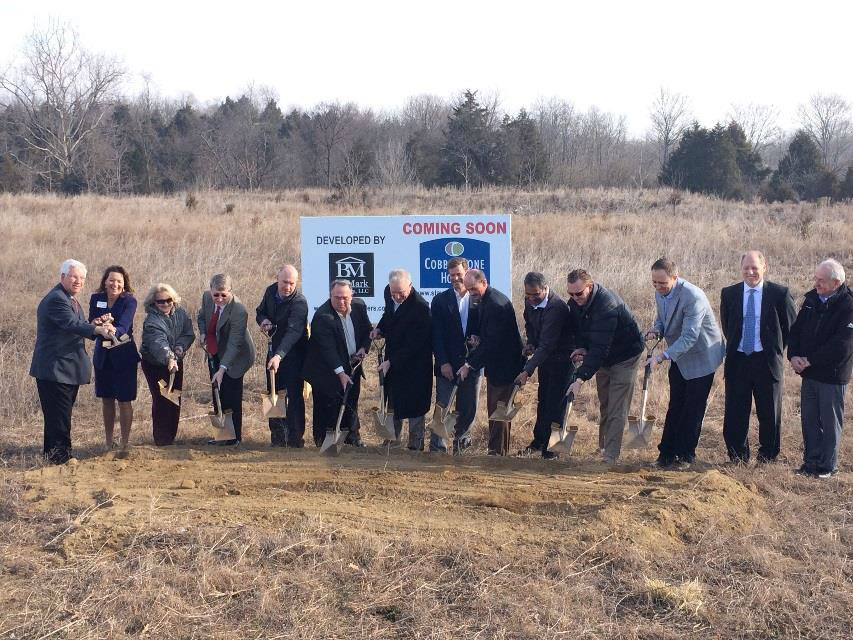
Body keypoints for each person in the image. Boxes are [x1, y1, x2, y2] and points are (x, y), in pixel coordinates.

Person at [31, 259, 116, 464]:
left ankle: (55, 455)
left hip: (64, 369)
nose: (78, 281)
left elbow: (74, 326)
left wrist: (93, 323)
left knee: (60, 415)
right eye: (74, 277)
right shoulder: (57, 299)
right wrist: (98, 330)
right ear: (63, 277)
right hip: (55, 369)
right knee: (58, 417)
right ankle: (60, 458)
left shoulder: (69, 298)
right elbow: (70, 323)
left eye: (82, 278)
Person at [647, 258, 726, 469]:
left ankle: (685, 456)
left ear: (675, 277)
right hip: (680, 356)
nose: (658, 287)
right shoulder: (659, 292)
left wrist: (662, 357)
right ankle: (666, 454)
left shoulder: (693, 296)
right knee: (675, 406)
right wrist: (657, 330)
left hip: (702, 356)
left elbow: (690, 337)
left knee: (693, 408)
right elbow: (663, 320)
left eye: (662, 283)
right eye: (654, 282)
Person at [720, 251, 796, 464]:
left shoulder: (780, 294)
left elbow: (790, 328)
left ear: (765, 267)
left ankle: (767, 457)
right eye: (746, 268)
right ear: (741, 268)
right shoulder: (729, 293)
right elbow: (728, 327)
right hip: (738, 361)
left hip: (767, 361)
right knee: (735, 412)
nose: (750, 272)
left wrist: (775, 350)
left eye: (755, 268)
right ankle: (737, 456)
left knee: (769, 412)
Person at [565, 269, 644, 464]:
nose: (574, 298)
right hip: (604, 357)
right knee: (606, 403)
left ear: (589, 287)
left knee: (617, 405)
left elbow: (600, 348)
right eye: (571, 294)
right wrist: (581, 347)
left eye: (579, 293)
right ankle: (603, 447)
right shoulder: (575, 304)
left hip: (625, 355)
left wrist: (580, 379)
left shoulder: (606, 306)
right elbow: (580, 332)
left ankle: (611, 455)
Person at [788, 259, 853, 478]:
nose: (816, 283)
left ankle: (828, 466)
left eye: (821, 281)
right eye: (815, 279)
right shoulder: (811, 300)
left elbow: (841, 346)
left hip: (832, 376)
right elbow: (795, 331)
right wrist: (793, 355)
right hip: (809, 373)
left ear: (835, 283)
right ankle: (811, 463)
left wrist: (809, 360)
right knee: (809, 420)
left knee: (829, 421)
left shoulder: (849, 306)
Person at [458, 269, 524, 456]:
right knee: (496, 410)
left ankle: (497, 455)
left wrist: (469, 364)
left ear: (484, 282)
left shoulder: (495, 304)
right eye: (468, 289)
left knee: (499, 411)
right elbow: (487, 334)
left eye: (474, 288)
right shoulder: (484, 300)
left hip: (506, 367)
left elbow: (493, 344)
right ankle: (496, 451)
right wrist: (477, 337)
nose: (471, 293)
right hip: (498, 365)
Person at [304, 279, 372, 448]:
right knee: (327, 403)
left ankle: (352, 436)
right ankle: (323, 440)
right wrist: (341, 373)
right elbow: (328, 350)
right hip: (324, 368)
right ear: (330, 295)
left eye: (345, 297)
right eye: (337, 297)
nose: (341, 301)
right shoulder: (323, 316)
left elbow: (366, 331)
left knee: (351, 400)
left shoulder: (359, 307)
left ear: (352, 295)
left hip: (352, 363)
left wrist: (363, 348)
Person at [514, 272, 573, 459]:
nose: (531, 299)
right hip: (546, 359)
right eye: (528, 295)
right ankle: (539, 441)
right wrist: (531, 342)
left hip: (563, 360)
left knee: (556, 405)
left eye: (536, 295)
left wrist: (527, 370)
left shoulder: (556, 307)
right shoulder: (529, 301)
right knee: (544, 401)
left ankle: (553, 449)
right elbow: (530, 325)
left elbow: (548, 344)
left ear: (545, 289)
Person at [372, 269, 433, 450]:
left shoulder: (421, 308)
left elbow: (416, 344)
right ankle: (392, 440)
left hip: (416, 364)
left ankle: (416, 445)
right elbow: (389, 315)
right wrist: (380, 330)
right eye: (394, 293)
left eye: (401, 293)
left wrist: (391, 362)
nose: (397, 296)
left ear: (411, 286)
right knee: (393, 401)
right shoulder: (388, 293)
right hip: (394, 360)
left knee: (416, 405)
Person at [429, 257, 481, 453]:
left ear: (466, 273)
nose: (455, 278)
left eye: (459, 274)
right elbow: (436, 335)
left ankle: (462, 446)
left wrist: (476, 345)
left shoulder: (478, 298)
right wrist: (443, 363)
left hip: (472, 364)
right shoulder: (440, 300)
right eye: (451, 275)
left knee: (468, 408)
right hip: (447, 365)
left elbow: (484, 329)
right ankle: (437, 448)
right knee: (442, 405)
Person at [198, 274, 256, 445]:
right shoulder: (206, 298)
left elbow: (235, 343)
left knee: (231, 394)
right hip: (215, 349)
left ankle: (234, 439)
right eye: (216, 294)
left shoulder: (239, 310)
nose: (220, 299)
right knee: (217, 391)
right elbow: (201, 317)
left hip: (237, 356)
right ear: (210, 291)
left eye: (224, 295)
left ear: (231, 291)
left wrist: (222, 369)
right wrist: (203, 333)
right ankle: (221, 435)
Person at [88, 265, 141, 450]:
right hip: (103, 356)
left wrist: (113, 329)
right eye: (111, 280)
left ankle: (124, 443)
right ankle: (109, 441)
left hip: (124, 355)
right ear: (105, 281)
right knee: (106, 398)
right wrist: (96, 323)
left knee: (124, 399)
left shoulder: (129, 301)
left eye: (119, 281)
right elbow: (91, 325)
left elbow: (125, 325)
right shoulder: (97, 299)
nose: (115, 284)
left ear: (124, 284)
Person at [256, 265, 309, 447]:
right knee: (273, 393)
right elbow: (259, 311)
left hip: (294, 354)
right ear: (277, 279)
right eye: (284, 282)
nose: (288, 287)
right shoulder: (270, 292)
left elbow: (293, 333)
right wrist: (263, 320)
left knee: (293, 396)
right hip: (273, 351)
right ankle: (278, 438)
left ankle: (295, 439)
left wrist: (279, 356)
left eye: (292, 283)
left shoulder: (299, 302)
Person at [140, 283, 195, 446]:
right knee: (162, 399)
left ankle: (170, 438)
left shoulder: (180, 313)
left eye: (168, 300)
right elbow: (158, 343)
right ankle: (161, 440)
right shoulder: (152, 321)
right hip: (156, 366)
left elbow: (188, 333)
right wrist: (170, 357)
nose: (165, 304)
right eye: (160, 301)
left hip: (175, 362)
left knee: (174, 398)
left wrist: (180, 347)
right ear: (153, 303)